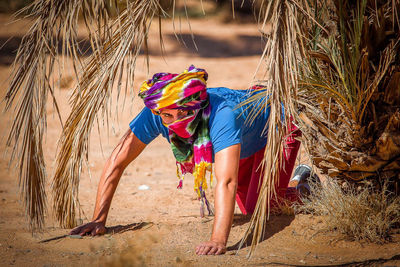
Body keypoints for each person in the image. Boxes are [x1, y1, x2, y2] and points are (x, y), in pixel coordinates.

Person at [69, 65, 301, 255]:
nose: (174, 121)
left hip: (278, 127)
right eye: (168, 116)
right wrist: (98, 219)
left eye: (183, 113)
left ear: (197, 106)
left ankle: (305, 184)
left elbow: (226, 182)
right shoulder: (157, 112)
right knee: (249, 207)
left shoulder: (224, 116)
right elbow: (117, 160)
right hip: (244, 142)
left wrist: (218, 240)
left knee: (265, 205)